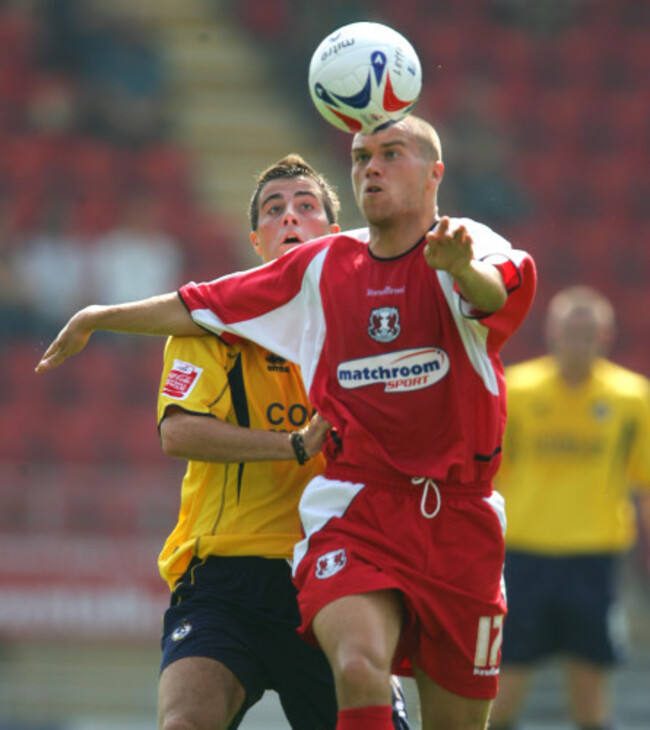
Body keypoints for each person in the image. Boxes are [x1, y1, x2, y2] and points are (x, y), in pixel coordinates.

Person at [36, 115, 537, 730]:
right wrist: (293, 445)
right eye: (274, 210)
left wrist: (457, 271)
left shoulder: (374, 275)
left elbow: (485, 300)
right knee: (200, 717)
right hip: (243, 569)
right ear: (254, 240)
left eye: (305, 206)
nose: (291, 218)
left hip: (409, 536)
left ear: (333, 228)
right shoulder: (215, 328)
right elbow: (177, 429)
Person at [490, 285, 650, 730]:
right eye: (568, 331)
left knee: (591, 702)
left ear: (606, 336)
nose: (576, 342)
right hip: (524, 556)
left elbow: (645, 482)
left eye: (586, 332)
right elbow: (488, 475)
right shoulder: (516, 390)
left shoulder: (632, 396)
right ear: (551, 333)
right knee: (502, 694)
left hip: (594, 559)